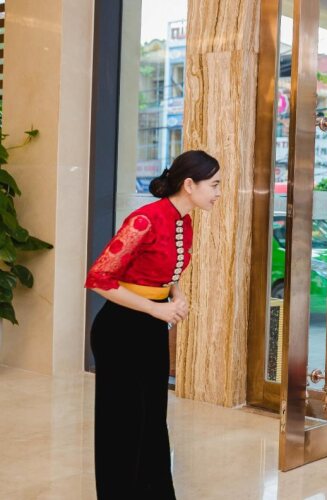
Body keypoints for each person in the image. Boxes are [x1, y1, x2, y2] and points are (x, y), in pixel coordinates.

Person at [85, 150, 222, 499]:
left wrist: (177, 295)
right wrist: (154, 308)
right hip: (120, 330)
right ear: (189, 184)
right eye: (214, 185)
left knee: (152, 419)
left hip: (150, 326)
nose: (218, 193)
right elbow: (99, 279)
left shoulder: (184, 221)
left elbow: (165, 272)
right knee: (122, 423)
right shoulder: (144, 220)